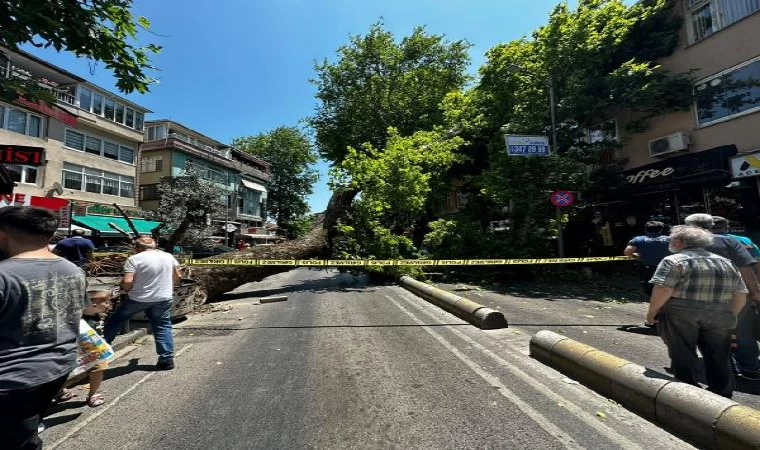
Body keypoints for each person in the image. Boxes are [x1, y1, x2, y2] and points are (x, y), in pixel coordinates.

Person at [0, 206, 88, 449]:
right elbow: (78, 312)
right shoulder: (75, 271)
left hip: (11, 379)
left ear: (2, 235)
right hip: (57, 368)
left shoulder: (4, 274)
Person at [647, 225, 747, 398]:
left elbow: (663, 289)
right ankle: (722, 392)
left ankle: (688, 391)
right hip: (720, 310)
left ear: (679, 241)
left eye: (671, 240)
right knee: (719, 354)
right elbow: (740, 294)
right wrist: (731, 314)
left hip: (680, 311)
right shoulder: (726, 262)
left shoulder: (674, 260)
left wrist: (651, 313)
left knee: (682, 352)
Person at [685, 213, 760, 380]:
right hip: (737, 293)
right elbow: (749, 266)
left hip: (701, 296)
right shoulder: (738, 241)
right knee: (743, 331)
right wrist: (755, 292)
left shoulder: (684, 243)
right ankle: (750, 368)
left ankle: (722, 368)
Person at [104, 236, 181, 370]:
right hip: (163, 297)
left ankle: (101, 352)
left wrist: (126, 289)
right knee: (162, 326)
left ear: (137, 247)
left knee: (115, 321)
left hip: (139, 298)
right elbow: (178, 276)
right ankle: (166, 359)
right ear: (154, 246)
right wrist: (169, 288)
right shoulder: (168, 256)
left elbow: (127, 282)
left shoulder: (134, 259)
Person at [624, 221, 670, 296]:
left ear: (645, 230)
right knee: (666, 285)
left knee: (648, 287)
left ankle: (652, 300)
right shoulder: (669, 239)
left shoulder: (638, 239)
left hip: (646, 266)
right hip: (666, 266)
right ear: (661, 230)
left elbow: (627, 252)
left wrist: (637, 256)